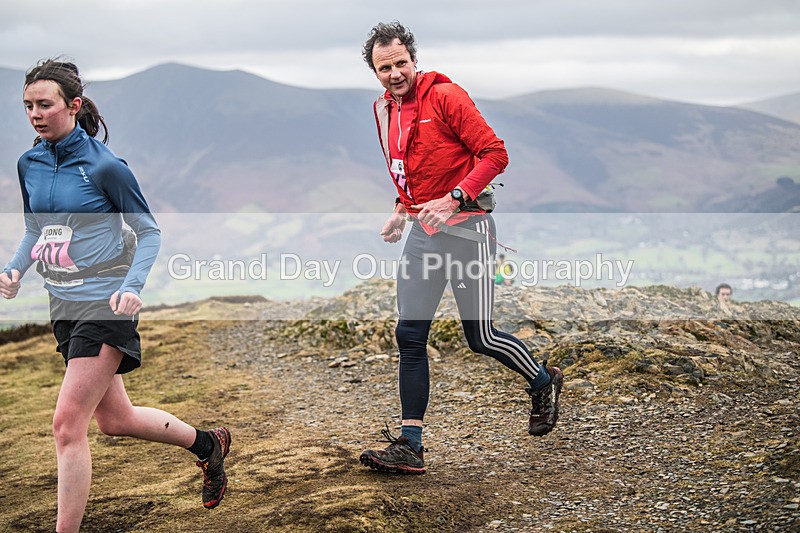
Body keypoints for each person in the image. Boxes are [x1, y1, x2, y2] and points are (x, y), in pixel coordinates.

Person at [0, 59, 230, 532]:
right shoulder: (30, 163)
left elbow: (148, 232)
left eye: (45, 105)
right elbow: (34, 228)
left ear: (73, 105)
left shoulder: (104, 167)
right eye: (28, 106)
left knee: (67, 426)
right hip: (63, 302)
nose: (35, 115)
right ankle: (207, 444)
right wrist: (14, 269)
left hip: (106, 302)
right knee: (116, 420)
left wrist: (131, 286)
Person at [358, 23, 563, 475]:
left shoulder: (447, 97)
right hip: (422, 235)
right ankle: (411, 445)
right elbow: (410, 168)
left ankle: (543, 381)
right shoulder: (383, 110)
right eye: (383, 68)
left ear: (414, 59)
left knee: (480, 337)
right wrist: (401, 208)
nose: (394, 74)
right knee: (409, 336)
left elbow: (495, 153)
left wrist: (454, 198)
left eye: (400, 64)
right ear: (374, 71)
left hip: (468, 232)